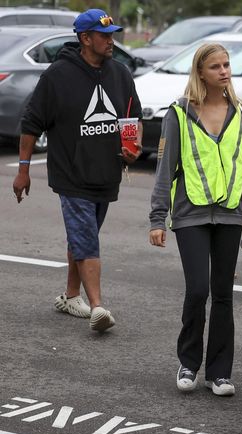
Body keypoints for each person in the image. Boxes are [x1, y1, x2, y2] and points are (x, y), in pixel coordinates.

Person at [12, 9, 143, 332]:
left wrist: (133, 148)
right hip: (70, 173)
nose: (111, 41)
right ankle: (97, 305)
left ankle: (71, 295)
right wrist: (24, 169)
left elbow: (132, 119)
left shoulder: (121, 74)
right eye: (104, 36)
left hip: (106, 173)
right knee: (86, 238)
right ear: (85, 39)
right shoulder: (57, 75)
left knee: (84, 235)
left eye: (113, 34)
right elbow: (31, 124)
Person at [148, 43, 242, 397]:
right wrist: (157, 217)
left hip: (230, 214)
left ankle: (220, 374)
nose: (224, 71)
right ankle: (188, 362)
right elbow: (164, 169)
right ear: (201, 72)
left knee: (223, 295)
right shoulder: (179, 113)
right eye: (216, 67)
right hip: (190, 214)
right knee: (198, 290)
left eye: (227, 65)